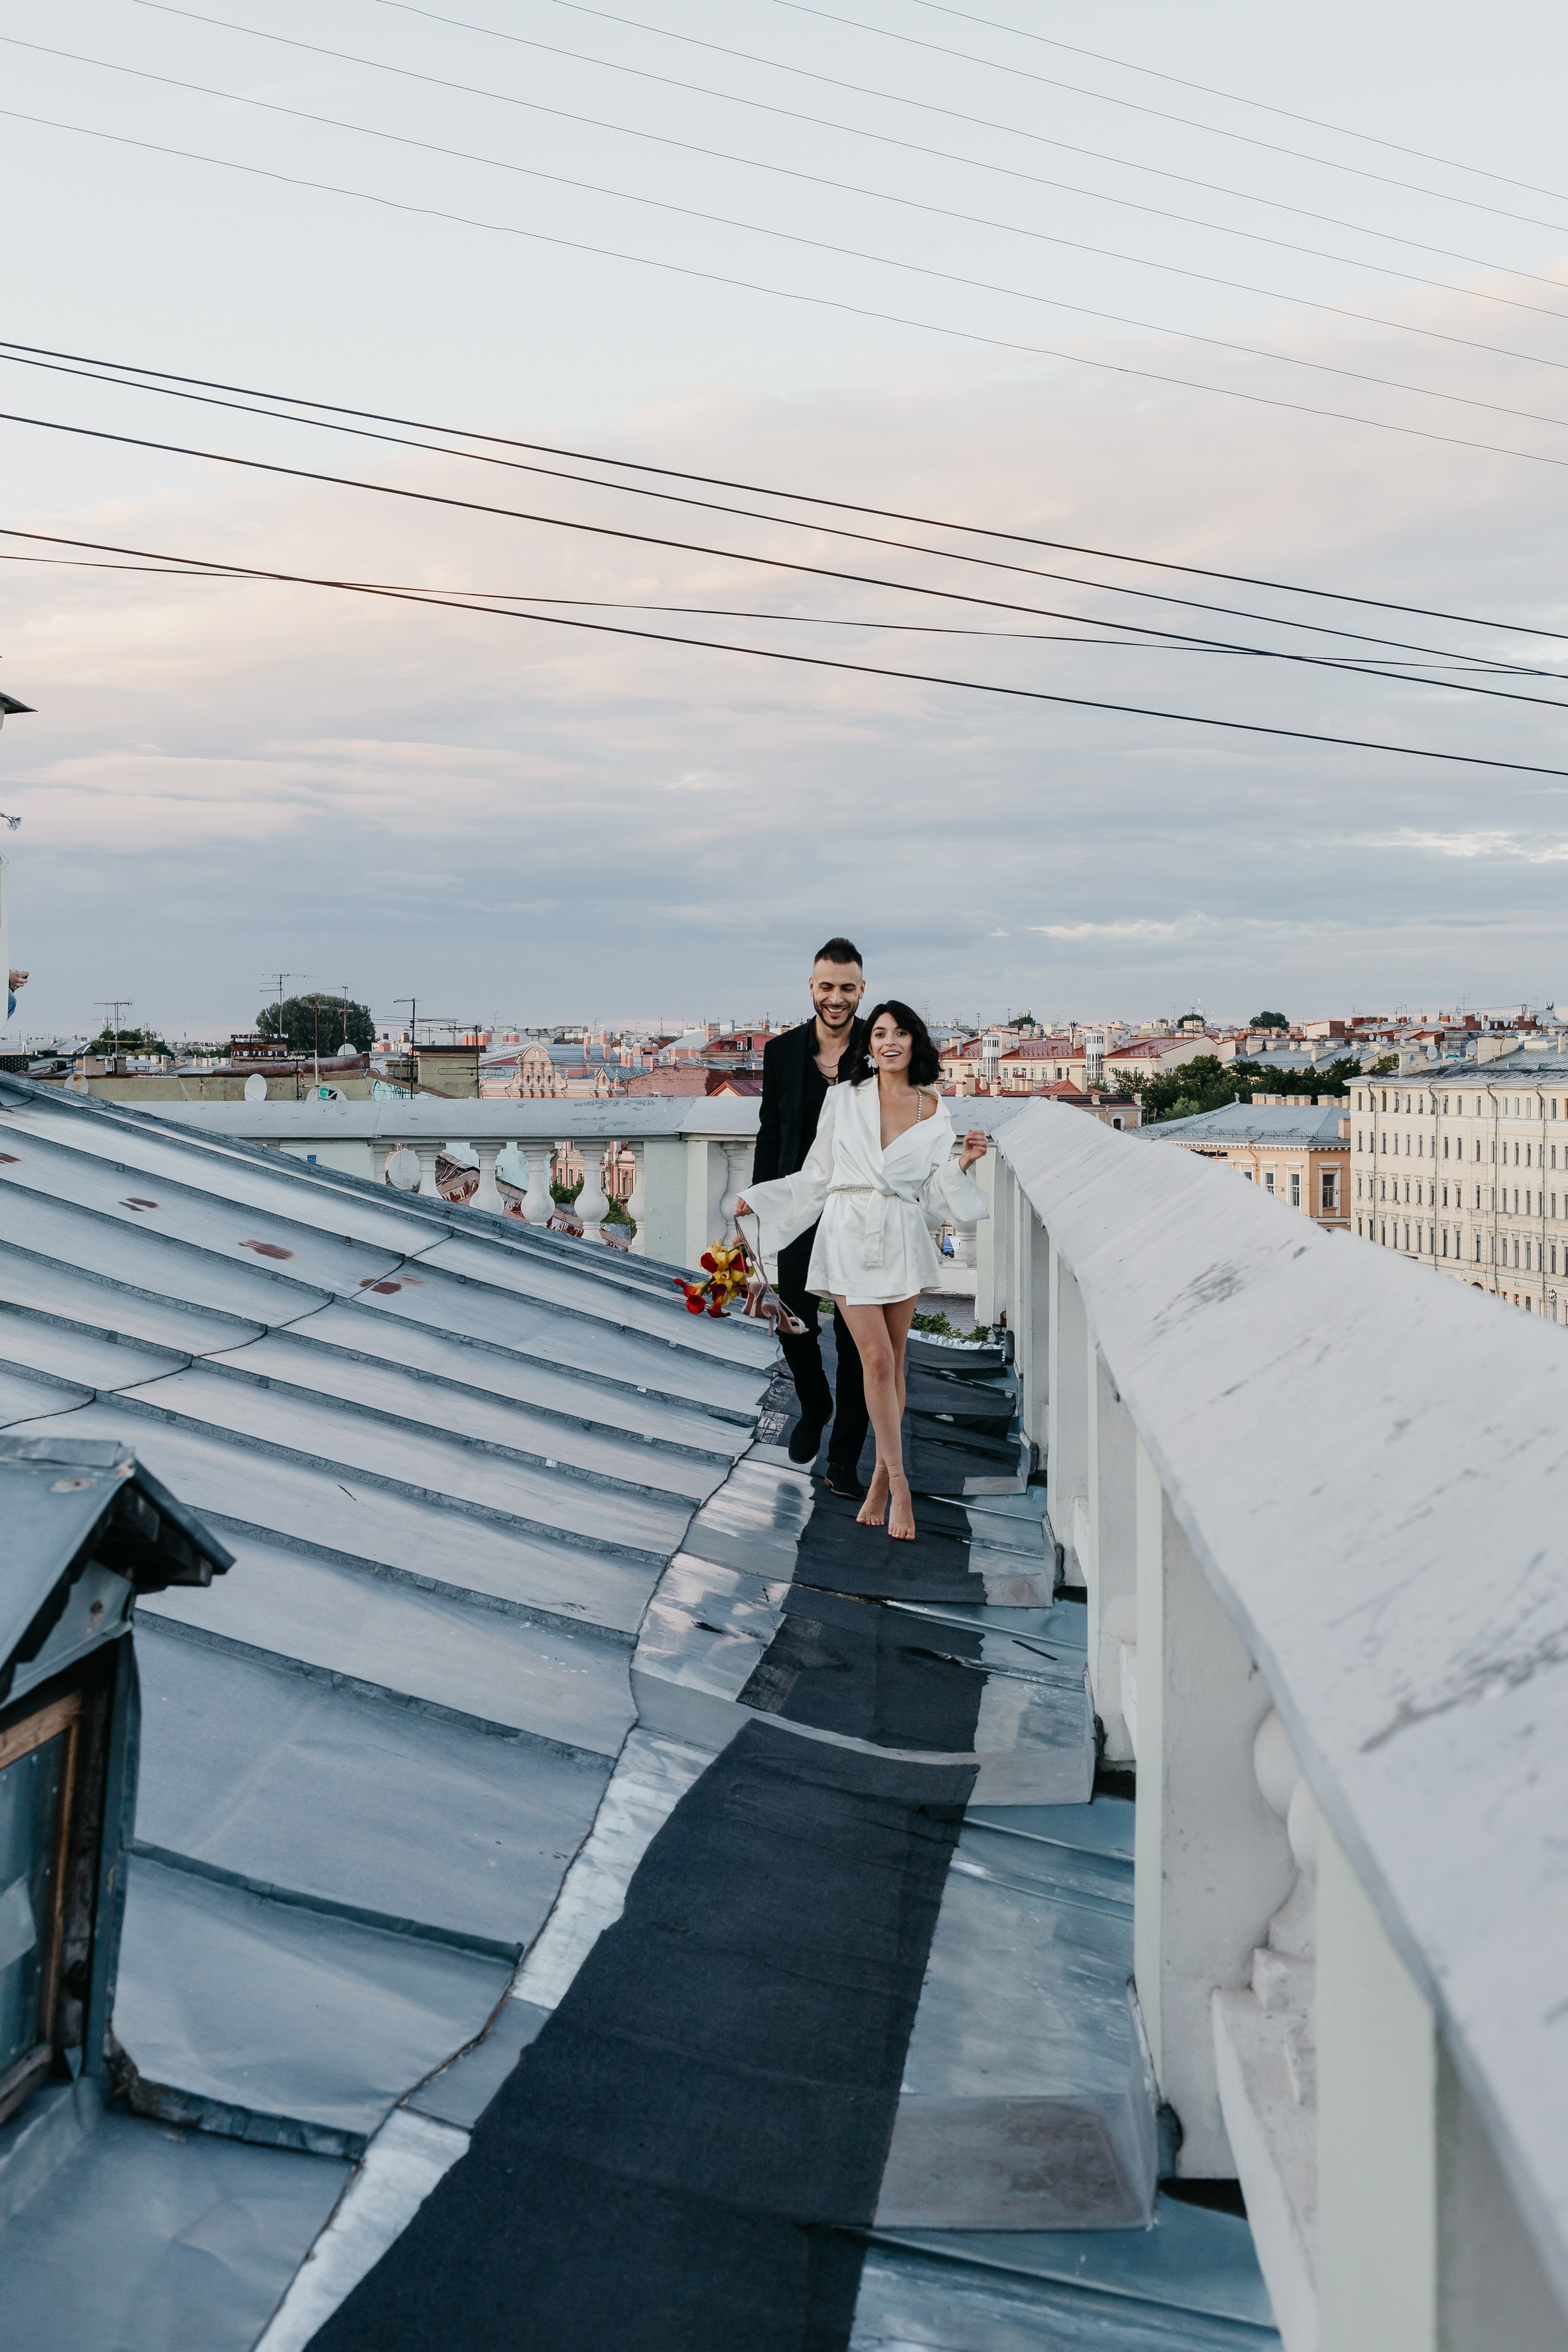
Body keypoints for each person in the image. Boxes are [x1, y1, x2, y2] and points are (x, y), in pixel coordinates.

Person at [737, 1000, 989, 1541]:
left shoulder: (933, 1107)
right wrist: (759, 1201)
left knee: (893, 1365)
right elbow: (816, 1175)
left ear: (915, 1042)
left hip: (901, 1232)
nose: (889, 1041)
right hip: (848, 1231)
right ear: (869, 1046)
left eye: (899, 1033)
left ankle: (877, 1478)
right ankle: (900, 1485)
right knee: (875, 1358)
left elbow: (929, 1191)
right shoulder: (844, 1098)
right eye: (879, 1034)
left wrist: (964, 1163)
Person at [751, 937, 870, 1494]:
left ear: (861, 990)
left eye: (847, 988)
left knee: (856, 1339)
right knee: (793, 1318)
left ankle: (844, 1461)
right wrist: (760, 1204)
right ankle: (815, 1403)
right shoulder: (781, 1053)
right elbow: (771, 1133)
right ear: (811, 988)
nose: (836, 998)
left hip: (859, 1211)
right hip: (799, 1210)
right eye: (827, 987)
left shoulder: (880, 1046)